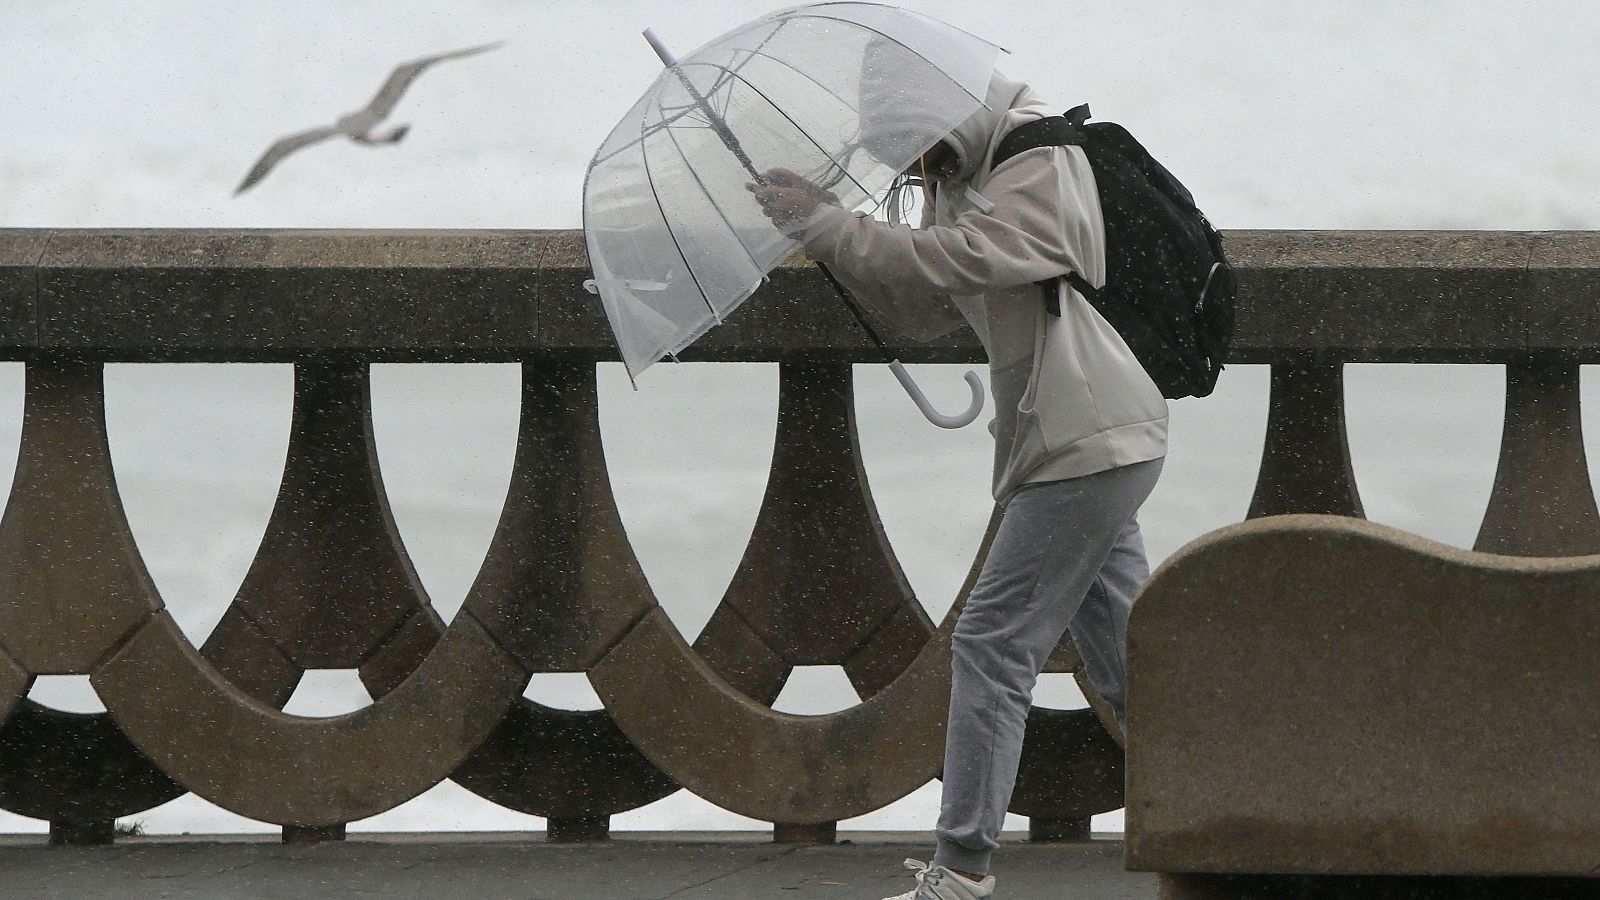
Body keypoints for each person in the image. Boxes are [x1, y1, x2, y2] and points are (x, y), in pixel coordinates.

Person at [748, 66, 1168, 900]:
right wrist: (826, 225)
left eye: (908, 147)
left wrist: (833, 227)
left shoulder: (1038, 158)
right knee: (1132, 666)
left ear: (938, 116)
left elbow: (969, 256)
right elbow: (931, 296)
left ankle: (964, 867)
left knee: (992, 641)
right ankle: (1235, 812)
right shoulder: (965, 175)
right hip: (1079, 439)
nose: (910, 169)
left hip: (1085, 438)